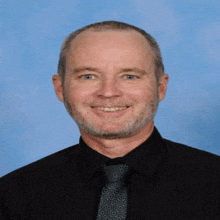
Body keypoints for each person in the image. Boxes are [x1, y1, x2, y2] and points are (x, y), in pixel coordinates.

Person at [1, 21, 219, 219]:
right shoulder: (13, 195)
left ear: (161, 87)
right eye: (88, 76)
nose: (108, 92)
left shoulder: (214, 184)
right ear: (60, 88)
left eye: (129, 76)